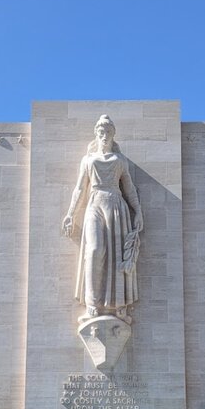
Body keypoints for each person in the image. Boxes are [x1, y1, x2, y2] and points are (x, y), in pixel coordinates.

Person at [62, 115, 144, 324]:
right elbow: (80, 188)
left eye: (108, 131)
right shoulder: (88, 160)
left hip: (116, 204)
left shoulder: (120, 160)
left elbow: (129, 188)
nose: (104, 135)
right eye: (101, 131)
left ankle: (118, 305)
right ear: (96, 134)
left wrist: (138, 211)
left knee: (117, 253)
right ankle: (92, 303)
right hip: (95, 203)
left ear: (112, 134)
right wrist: (71, 214)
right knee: (94, 249)